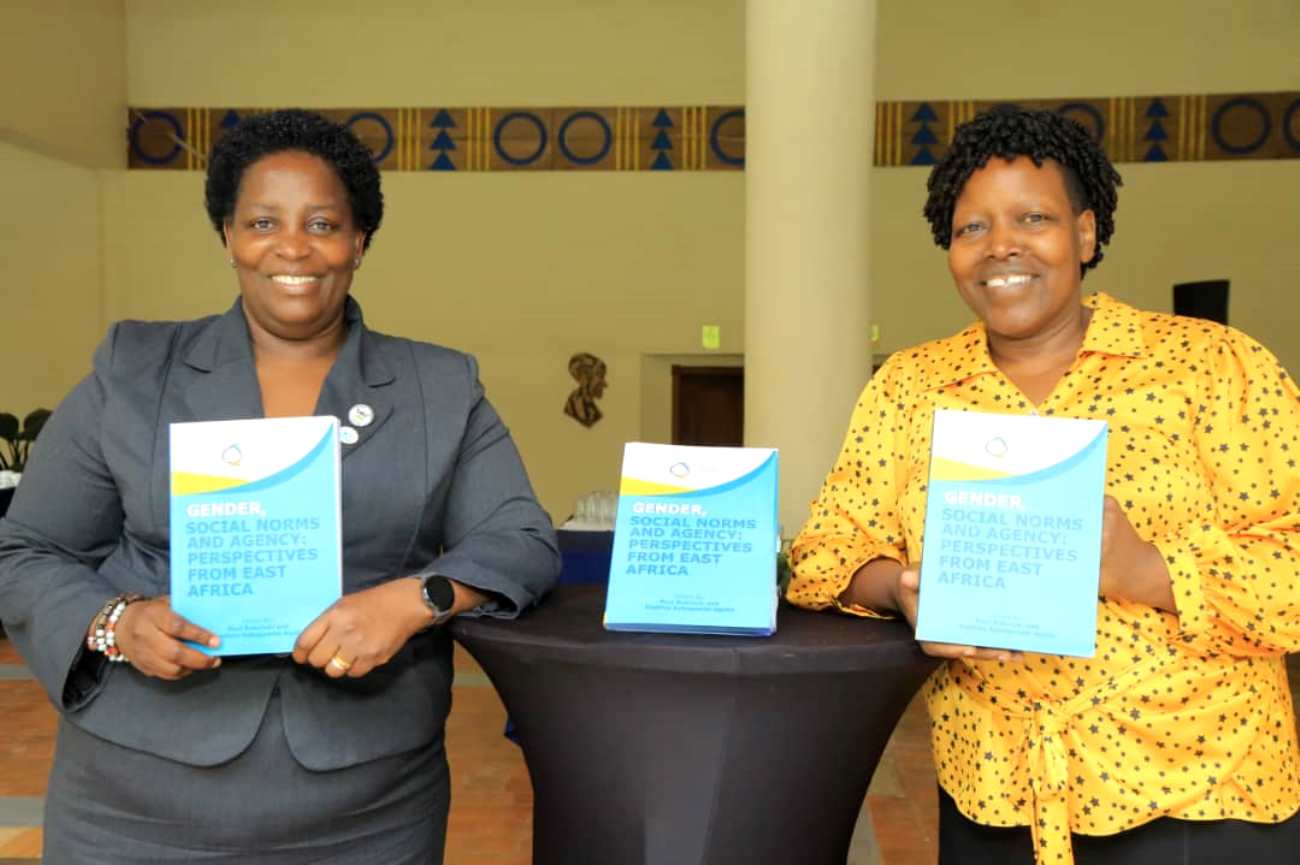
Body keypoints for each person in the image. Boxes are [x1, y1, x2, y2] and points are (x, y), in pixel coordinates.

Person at [0, 109, 559, 864]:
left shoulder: (439, 387)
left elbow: (520, 539)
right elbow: (25, 549)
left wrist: (414, 599)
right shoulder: (134, 371)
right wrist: (117, 622)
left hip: (368, 805)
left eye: (322, 224)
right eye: (263, 222)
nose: (292, 247)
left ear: (359, 241)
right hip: (133, 801)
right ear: (228, 236)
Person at [786, 106, 1300, 865]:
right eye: (972, 228)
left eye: (1034, 218)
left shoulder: (1211, 366)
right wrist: (900, 588)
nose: (1002, 245)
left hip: (1199, 788)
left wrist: (1147, 569)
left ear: (1085, 235)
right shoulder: (910, 387)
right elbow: (823, 551)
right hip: (995, 789)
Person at [563, 351, 608, 427]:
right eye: (600, 376)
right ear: (584, 379)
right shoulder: (576, 407)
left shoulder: (587, 407)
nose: (605, 384)